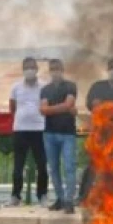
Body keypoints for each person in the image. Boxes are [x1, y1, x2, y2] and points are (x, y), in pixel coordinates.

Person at [81, 57, 113, 202]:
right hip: (101, 133)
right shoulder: (98, 86)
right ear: (107, 69)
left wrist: (106, 105)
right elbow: (94, 105)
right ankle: (84, 196)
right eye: (111, 67)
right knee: (94, 164)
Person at [40, 59, 79, 214]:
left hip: (67, 133)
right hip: (49, 133)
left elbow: (69, 104)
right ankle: (60, 199)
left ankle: (69, 201)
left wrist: (51, 108)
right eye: (52, 69)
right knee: (54, 169)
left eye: (57, 68)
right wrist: (63, 108)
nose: (55, 71)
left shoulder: (70, 86)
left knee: (69, 167)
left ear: (62, 69)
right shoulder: (45, 90)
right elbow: (42, 110)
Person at [8, 57, 48, 207]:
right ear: (23, 69)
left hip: (39, 129)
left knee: (42, 165)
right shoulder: (16, 87)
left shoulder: (44, 87)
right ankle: (15, 195)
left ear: (37, 69)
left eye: (32, 67)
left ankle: (42, 195)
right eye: (27, 67)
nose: (29, 70)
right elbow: (12, 108)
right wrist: (21, 119)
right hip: (20, 130)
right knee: (18, 165)